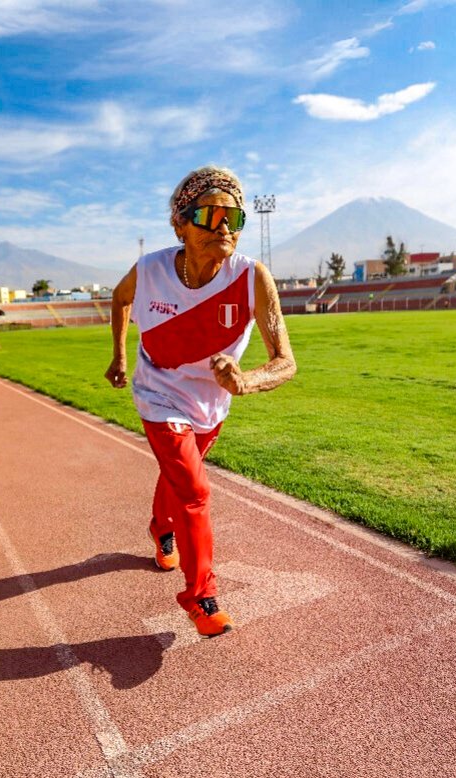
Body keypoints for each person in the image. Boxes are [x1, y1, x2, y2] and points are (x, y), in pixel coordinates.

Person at [106, 165, 296, 637]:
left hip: (211, 404)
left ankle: (160, 528)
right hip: (158, 394)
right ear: (181, 224)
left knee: (178, 480)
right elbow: (119, 300)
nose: (225, 227)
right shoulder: (149, 271)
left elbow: (286, 362)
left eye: (235, 218)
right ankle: (200, 597)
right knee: (194, 490)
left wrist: (245, 381)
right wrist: (120, 357)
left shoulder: (253, 278)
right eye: (211, 215)